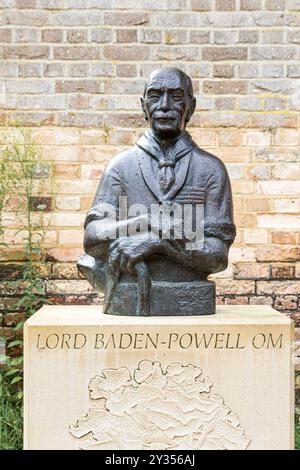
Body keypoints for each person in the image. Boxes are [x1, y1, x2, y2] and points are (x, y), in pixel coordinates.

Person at [78, 67, 236, 316]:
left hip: (192, 297)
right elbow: (93, 238)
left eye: (175, 96)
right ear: (143, 107)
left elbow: (217, 256)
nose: (164, 105)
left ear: (191, 107)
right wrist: (143, 223)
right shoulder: (120, 167)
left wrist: (159, 242)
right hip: (127, 294)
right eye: (155, 96)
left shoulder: (210, 170)